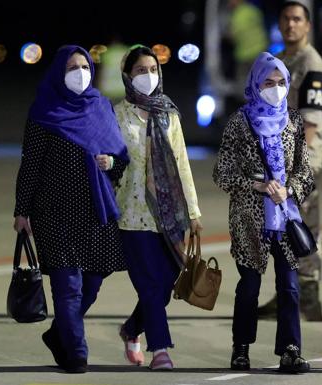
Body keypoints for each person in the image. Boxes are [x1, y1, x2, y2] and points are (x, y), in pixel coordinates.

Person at [13, 45, 130, 373]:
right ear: (58, 73)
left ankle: (58, 333)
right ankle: (76, 353)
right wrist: (21, 211)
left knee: (93, 280)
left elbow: (120, 157)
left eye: (84, 66)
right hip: (52, 211)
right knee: (68, 286)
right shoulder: (44, 111)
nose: (79, 73)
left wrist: (111, 162)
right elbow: (31, 164)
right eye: (71, 67)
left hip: (95, 210)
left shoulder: (101, 107)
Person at [213, 52, 314, 373]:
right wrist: (254, 186)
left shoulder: (295, 120)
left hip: (286, 216)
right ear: (255, 84)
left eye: (281, 82)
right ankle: (240, 349)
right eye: (268, 82)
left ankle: (290, 349)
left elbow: (305, 171)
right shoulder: (238, 123)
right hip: (249, 217)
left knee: (290, 287)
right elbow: (222, 174)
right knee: (249, 288)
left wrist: (290, 188)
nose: (276, 88)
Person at [113, 45, 202, 371]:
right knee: (150, 285)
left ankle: (131, 329)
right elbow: (109, 160)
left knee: (165, 286)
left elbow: (181, 164)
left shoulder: (169, 114)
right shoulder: (117, 115)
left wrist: (193, 212)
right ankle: (160, 349)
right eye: (140, 71)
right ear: (127, 76)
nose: (147, 76)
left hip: (169, 214)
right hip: (132, 215)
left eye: (152, 70)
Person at [258, 0, 322, 322]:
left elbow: (311, 124)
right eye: (286, 19)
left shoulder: (311, 64)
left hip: (301, 160)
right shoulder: (283, 59)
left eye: (297, 19)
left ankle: (309, 297)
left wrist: (293, 168)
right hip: (280, 159)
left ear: (307, 25)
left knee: (304, 222)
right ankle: (287, 294)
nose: (291, 25)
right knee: (284, 227)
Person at [227, 0, 269, 99]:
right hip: (261, 51)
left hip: (246, 55)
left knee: (244, 85)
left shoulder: (237, 14)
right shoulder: (253, 10)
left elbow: (233, 36)